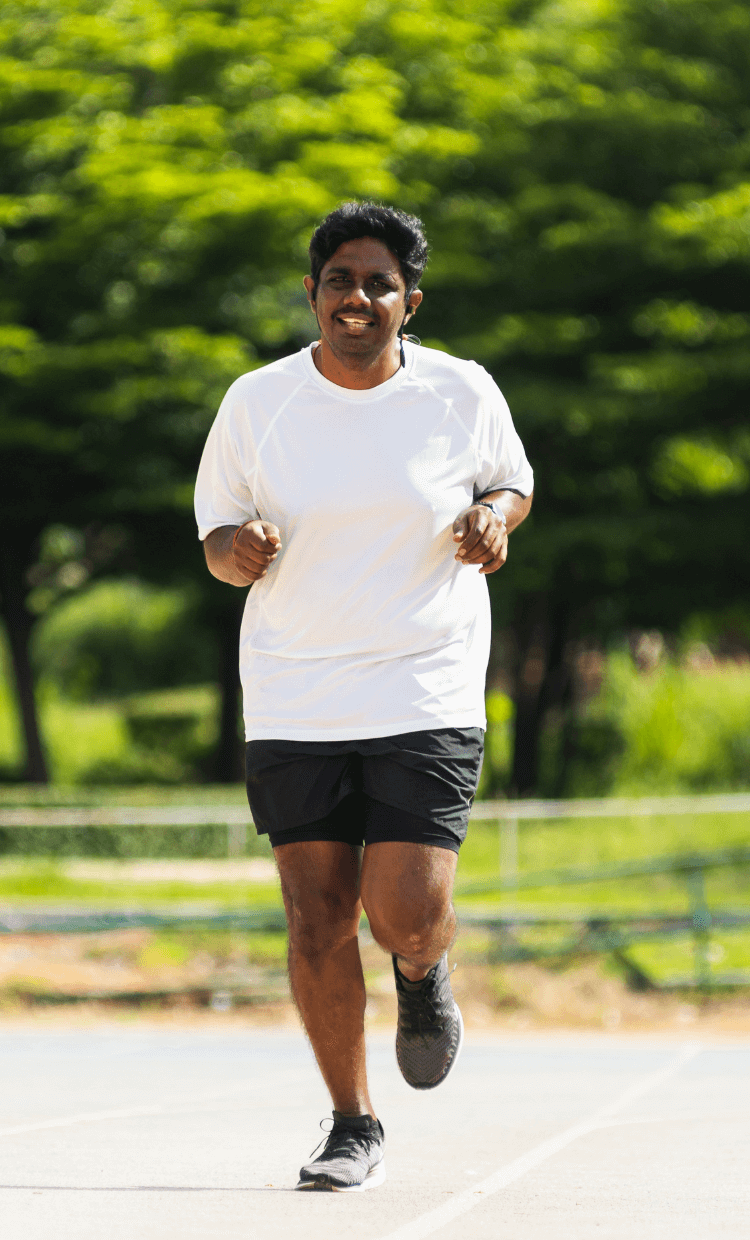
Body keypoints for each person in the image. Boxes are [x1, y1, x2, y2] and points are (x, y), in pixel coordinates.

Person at [193, 202, 533, 1192]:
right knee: (313, 917)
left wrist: (490, 517)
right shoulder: (255, 403)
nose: (356, 297)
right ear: (310, 293)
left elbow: (510, 483)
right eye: (338, 279)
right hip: (295, 693)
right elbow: (214, 536)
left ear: (408, 301)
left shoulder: (459, 392)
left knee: (403, 912)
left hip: (422, 680)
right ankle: (350, 1121)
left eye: (377, 282)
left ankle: (421, 974)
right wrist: (235, 549)